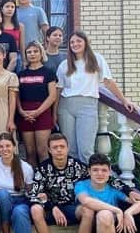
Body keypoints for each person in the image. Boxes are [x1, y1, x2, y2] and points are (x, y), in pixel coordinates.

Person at [28, 133, 140, 233]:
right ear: (49, 150)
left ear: (67, 148)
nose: (59, 150)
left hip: (72, 208)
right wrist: (52, 207)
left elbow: (108, 178)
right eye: (55, 147)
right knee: (35, 209)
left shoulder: (77, 166)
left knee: (88, 210)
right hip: (51, 210)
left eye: (62, 147)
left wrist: (128, 191)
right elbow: (34, 195)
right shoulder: (42, 169)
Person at [55, 31, 135, 163]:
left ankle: (88, 181)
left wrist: (124, 100)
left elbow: (108, 82)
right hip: (66, 107)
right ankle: (74, 181)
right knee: (70, 149)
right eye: (72, 42)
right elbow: (59, 89)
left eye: (78, 41)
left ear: (86, 42)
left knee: (86, 149)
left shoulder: (97, 59)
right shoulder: (64, 64)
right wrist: (54, 112)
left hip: (87, 106)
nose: (75, 44)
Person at [17, 41, 57, 168]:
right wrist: (21, 111)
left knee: (42, 151)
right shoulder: (20, 74)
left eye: (35, 51)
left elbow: (52, 96)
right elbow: (16, 96)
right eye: (29, 52)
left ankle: (46, 179)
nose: (32, 54)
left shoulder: (48, 73)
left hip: (43, 112)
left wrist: (38, 111)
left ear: (41, 53)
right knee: (30, 152)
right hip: (25, 114)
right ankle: (32, 181)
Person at [1, 0, 26, 69]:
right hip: (1, 58)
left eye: (12, 7)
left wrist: (24, 61)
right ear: (2, 8)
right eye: (7, 6)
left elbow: (22, 46)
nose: (10, 9)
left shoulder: (20, 26)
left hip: (16, 57)